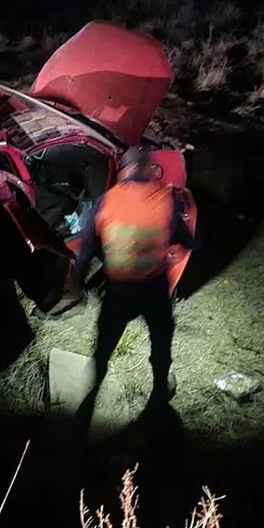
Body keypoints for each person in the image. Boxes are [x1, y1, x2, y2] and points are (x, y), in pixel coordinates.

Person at [72, 144, 194, 406]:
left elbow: (85, 251)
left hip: (119, 290)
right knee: (161, 341)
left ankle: (92, 389)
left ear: (124, 170)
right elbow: (187, 239)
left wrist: (78, 283)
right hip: (154, 288)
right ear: (149, 170)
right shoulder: (166, 198)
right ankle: (160, 388)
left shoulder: (106, 201)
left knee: (104, 344)